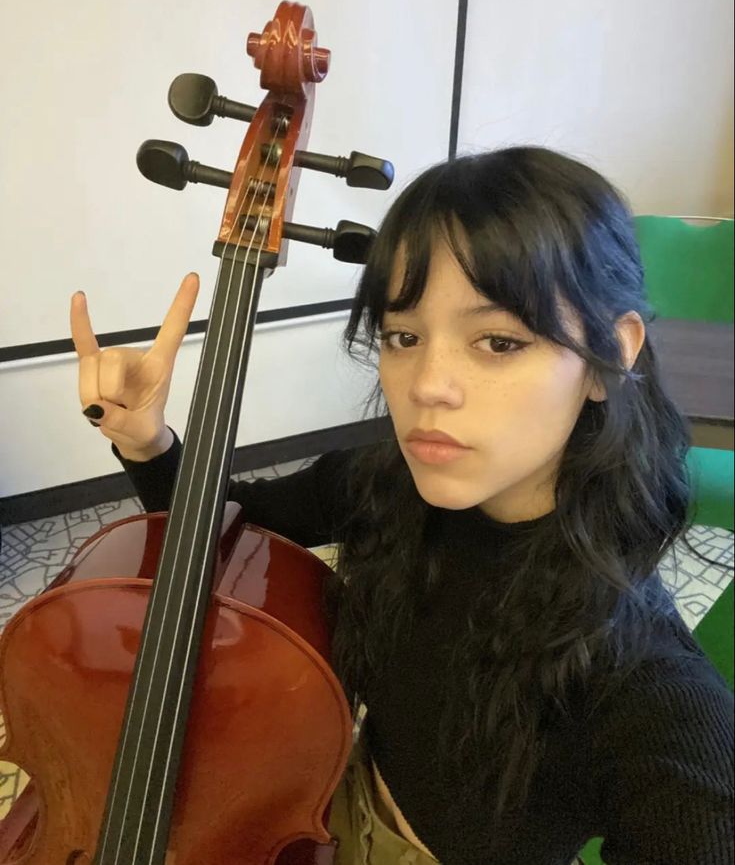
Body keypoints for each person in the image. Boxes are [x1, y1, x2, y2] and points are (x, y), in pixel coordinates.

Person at [70, 146, 734, 865]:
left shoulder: (651, 694)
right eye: (403, 336)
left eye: (499, 341)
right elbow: (220, 527)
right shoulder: (382, 486)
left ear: (611, 355)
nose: (427, 385)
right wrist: (147, 441)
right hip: (327, 810)